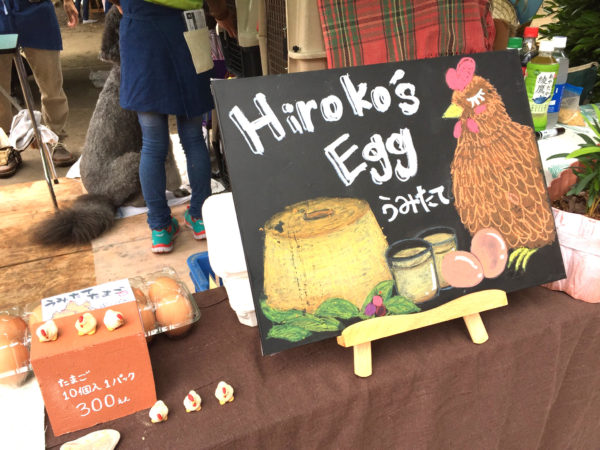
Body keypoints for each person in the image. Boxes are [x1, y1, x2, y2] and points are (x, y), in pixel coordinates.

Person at [118, 0, 236, 253]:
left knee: (152, 143)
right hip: (187, 30)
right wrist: (222, 14)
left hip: (140, 33)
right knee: (193, 137)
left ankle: (160, 228)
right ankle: (201, 218)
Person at [0, 0, 79, 171]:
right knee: (0, 90)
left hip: (36, 9)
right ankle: (4, 143)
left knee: (51, 82)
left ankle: (55, 137)